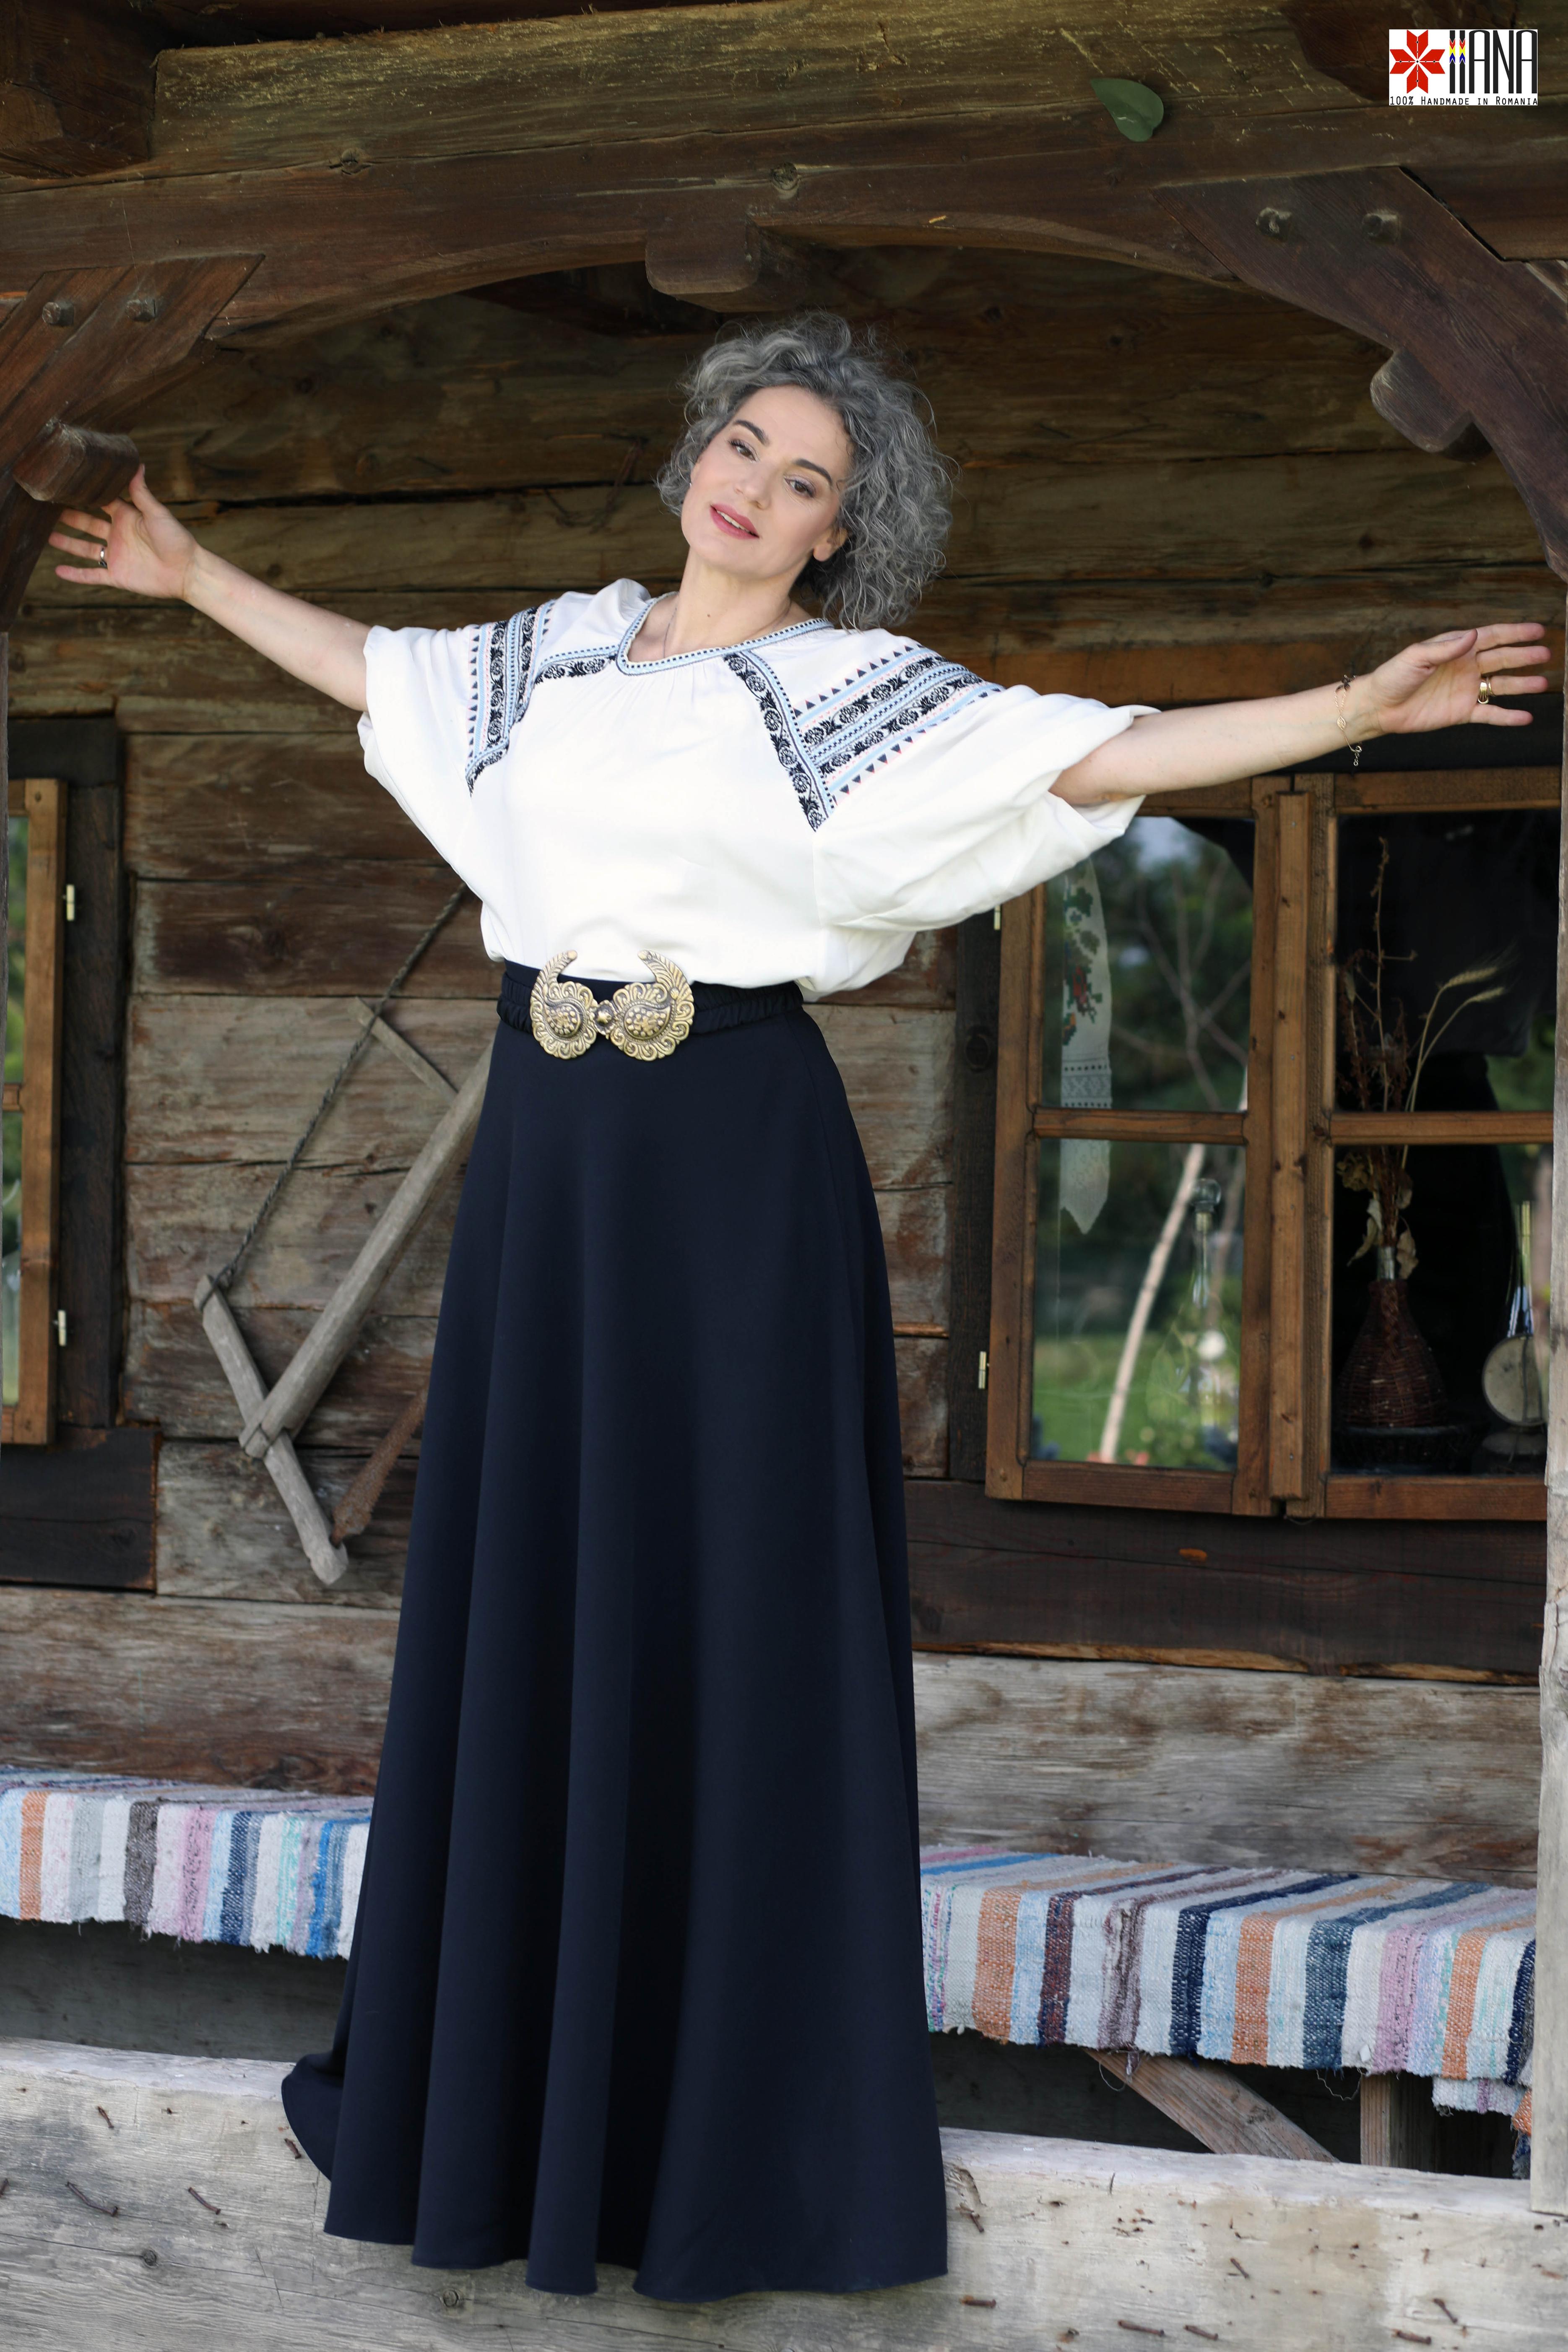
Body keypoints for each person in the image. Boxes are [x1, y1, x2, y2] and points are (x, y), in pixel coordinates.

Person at [52, 312, 1548, 2303]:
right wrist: (188, 575)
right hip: (551, 1173)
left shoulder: (849, 695)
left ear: (839, 535)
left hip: (730, 1166)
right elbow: (376, 675)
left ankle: (724, 2149)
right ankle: (499, 2102)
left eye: (804, 479)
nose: (752, 487)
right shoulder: (553, 655)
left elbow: (1097, 753)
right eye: (740, 445)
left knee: (727, 1608)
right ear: (695, 456)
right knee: (530, 1586)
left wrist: (1352, 705)